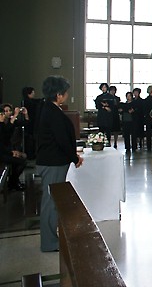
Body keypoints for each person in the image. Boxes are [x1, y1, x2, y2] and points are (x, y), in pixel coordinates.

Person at [36, 75, 83, 252]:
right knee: (51, 201)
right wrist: (74, 157)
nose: (66, 95)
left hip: (53, 161)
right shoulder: (52, 112)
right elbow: (61, 139)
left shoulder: (48, 108)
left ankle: (51, 239)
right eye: (65, 92)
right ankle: (49, 242)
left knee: (53, 200)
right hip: (52, 162)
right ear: (58, 94)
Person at [0, 110, 27, 191]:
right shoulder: (1, 126)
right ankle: (12, 182)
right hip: (2, 153)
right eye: (2, 114)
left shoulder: (3, 125)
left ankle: (14, 182)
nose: (3, 115)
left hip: (5, 151)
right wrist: (11, 153)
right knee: (21, 162)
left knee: (21, 158)